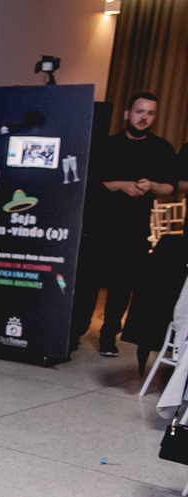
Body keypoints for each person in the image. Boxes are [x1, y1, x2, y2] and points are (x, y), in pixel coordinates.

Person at [81, 93, 175, 357]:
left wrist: (152, 185)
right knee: (88, 282)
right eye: (139, 111)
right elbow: (89, 183)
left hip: (135, 229)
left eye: (150, 113)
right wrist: (120, 185)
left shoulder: (162, 148)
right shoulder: (106, 145)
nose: (144, 117)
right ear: (127, 114)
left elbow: (169, 187)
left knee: (122, 286)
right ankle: (76, 330)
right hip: (100, 226)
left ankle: (109, 335)